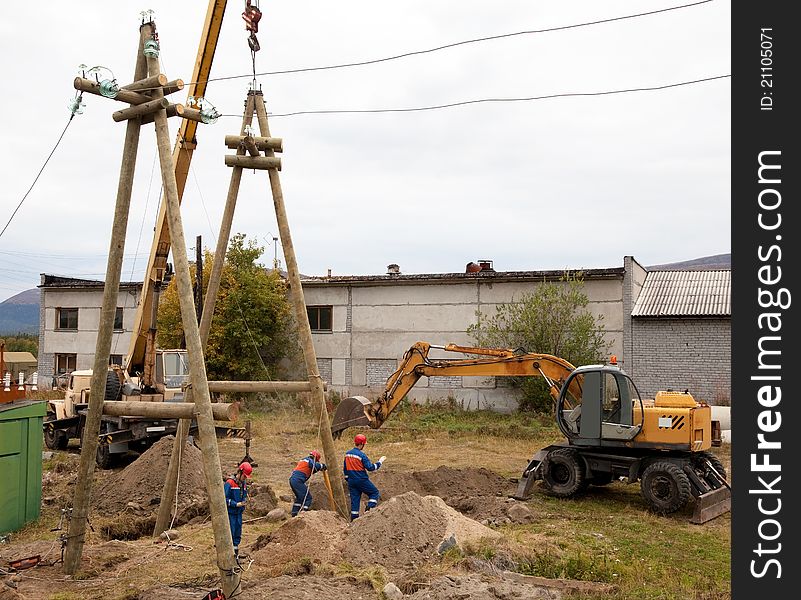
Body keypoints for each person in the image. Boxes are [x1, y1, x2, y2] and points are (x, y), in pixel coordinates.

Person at [343, 433, 386, 521]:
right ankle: (369, 509)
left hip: (351, 481)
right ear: (362, 444)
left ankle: (353, 521)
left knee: (355, 502)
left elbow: (345, 469)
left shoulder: (347, 454)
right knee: (374, 493)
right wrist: (380, 462)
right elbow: (371, 468)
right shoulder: (361, 455)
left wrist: (348, 479)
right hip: (361, 480)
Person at [224, 461, 252, 557]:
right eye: (244, 476)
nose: (245, 479)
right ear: (239, 473)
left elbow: (243, 496)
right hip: (230, 513)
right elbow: (224, 499)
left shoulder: (243, 484)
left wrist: (244, 502)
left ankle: (235, 555)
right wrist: (236, 504)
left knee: (237, 534)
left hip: (238, 513)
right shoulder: (229, 483)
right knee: (230, 534)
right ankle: (228, 556)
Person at [289, 449, 327, 516]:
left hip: (293, 480)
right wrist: (322, 466)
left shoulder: (304, 460)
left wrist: (319, 468)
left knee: (300, 498)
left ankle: (294, 513)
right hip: (298, 481)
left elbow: (312, 470)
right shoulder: (310, 461)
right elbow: (314, 466)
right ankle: (304, 513)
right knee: (308, 498)